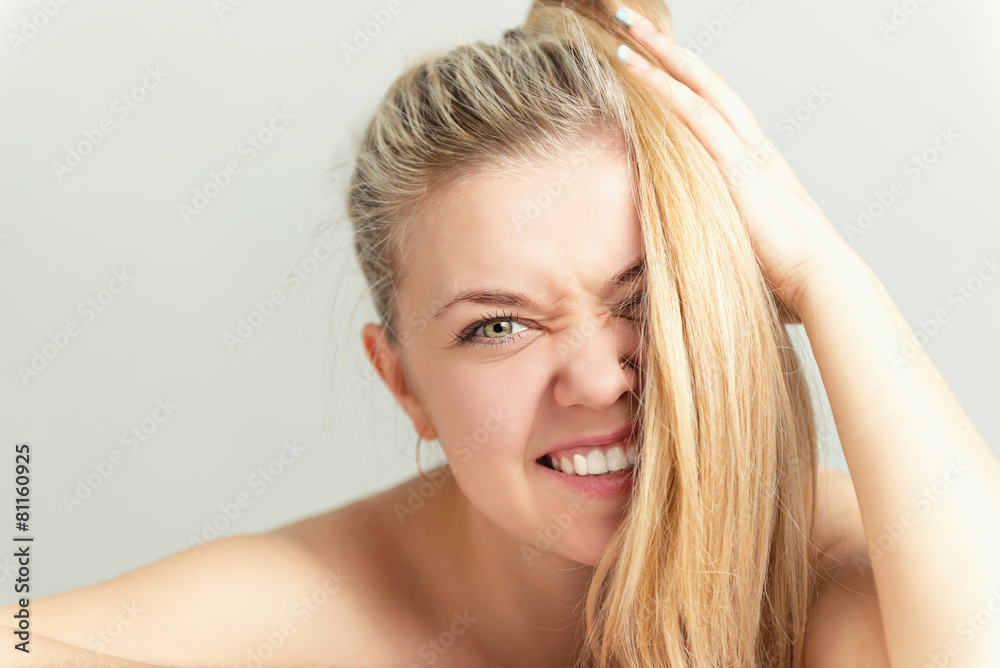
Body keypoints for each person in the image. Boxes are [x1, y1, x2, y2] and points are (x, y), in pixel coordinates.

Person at [4, 1, 999, 666]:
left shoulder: (838, 561)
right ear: (405, 385)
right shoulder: (315, 601)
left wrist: (826, 276)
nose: (597, 378)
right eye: (497, 325)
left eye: (644, 297)